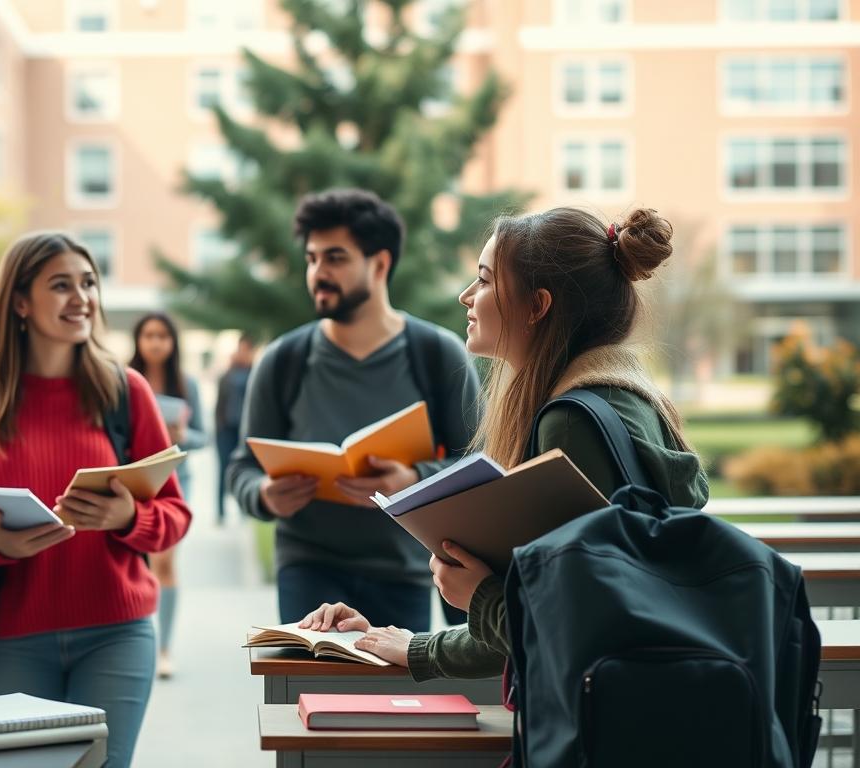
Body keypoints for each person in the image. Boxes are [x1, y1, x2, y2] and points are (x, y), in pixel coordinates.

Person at [298, 206, 711, 680]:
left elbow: (564, 629)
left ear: (537, 306)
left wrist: (480, 598)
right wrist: (415, 645)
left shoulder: (572, 423)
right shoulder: (625, 396)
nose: (465, 296)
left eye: (484, 280)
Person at [0, 233, 192, 768]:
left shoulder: (126, 391)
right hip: (12, 641)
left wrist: (129, 516)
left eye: (88, 283)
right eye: (61, 285)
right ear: (21, 301)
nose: (81, 298)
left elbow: (175, 514)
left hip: (117, 633)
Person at [227, 188, 481, 631]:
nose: (318, 273)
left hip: (403, 572)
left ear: (379, 264)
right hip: (307, 567)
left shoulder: (438, 354)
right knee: (314, 680)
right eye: (311, 259)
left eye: (335, 258)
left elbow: (477, 466)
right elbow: (241, 468)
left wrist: (412, 480)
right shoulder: (282, 360)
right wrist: (264, 494)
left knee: (398, 680)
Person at [129, 311, 206, 680]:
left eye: (163, 335)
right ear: (138, 340)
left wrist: (182, 435)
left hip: (175, 482)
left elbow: (204, 436)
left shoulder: (186, 384)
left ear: (173, 342)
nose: (156, 342)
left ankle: (163, 648)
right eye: (149, 335)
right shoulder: (126, 381)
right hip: (134, 481)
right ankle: (138, 641)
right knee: (138, 564)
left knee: (164, 562)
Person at [213, 333, 255, 525]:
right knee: (223, 468)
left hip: (245, 431)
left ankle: (242, 508)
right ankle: (220, 512)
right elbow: (220, 404)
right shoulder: (227, 375)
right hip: (226, 430)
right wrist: (218, 428)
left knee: (243, 469)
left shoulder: (255, 372)